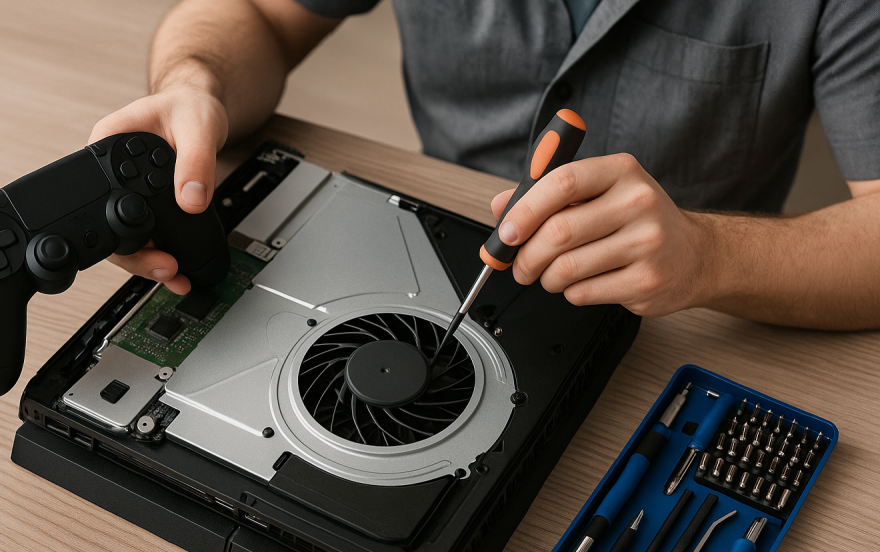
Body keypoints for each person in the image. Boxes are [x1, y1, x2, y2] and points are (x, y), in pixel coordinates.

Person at [90, 0, 880, 330]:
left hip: (689, 325)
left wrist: (711, 253)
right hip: (423, 263)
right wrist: (194, 85)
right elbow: (256, 14)